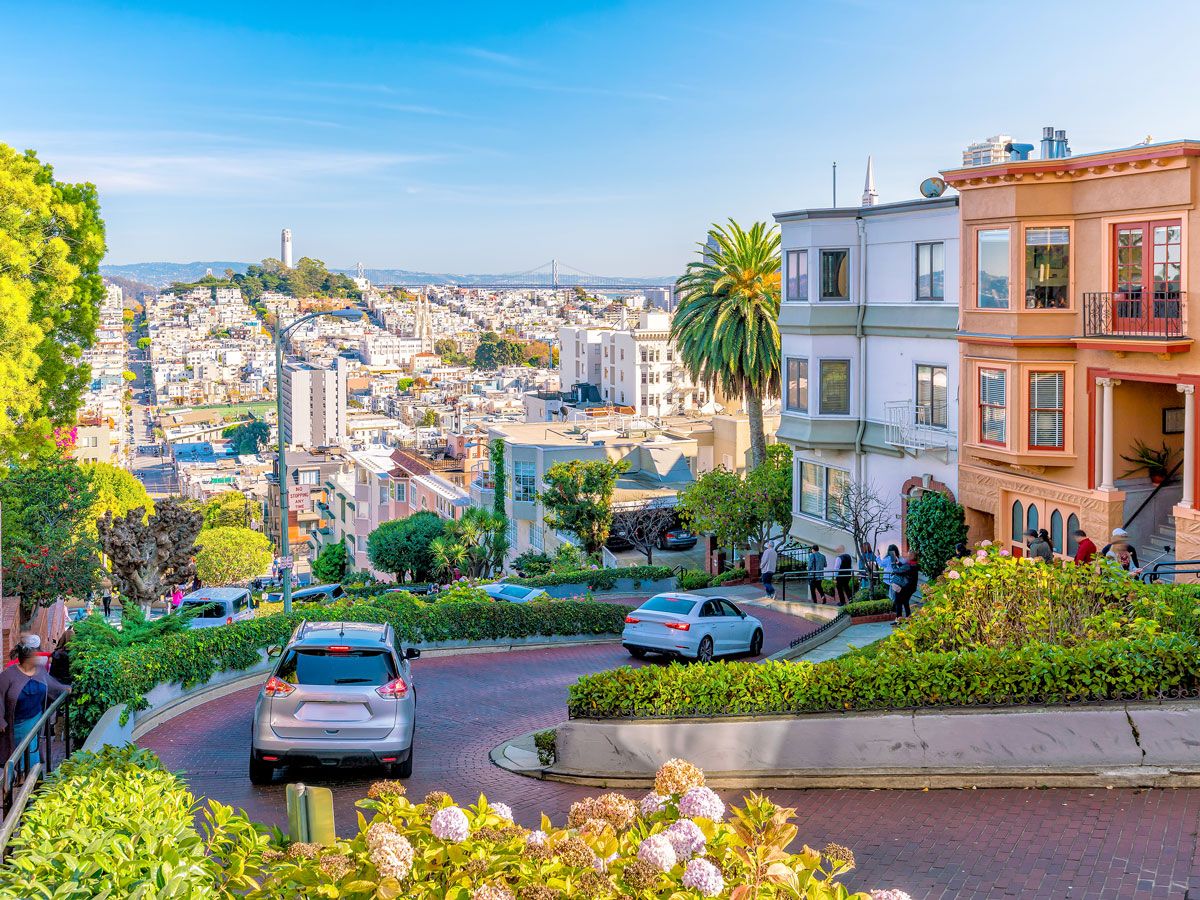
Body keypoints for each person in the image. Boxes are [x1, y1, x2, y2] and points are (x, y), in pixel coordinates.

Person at [0, 643, 67, 772]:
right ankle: (26, 780)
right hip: (17, 723)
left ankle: (31, 779)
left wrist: (65, 689)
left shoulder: (40, 671)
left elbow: (51, 683)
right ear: (25, 659)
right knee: (20, 753)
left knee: (32, 750)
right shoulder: (8, 675)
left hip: (36, 718)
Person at [892, 551, 918, 619]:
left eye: (908, 555)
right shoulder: (914, 564)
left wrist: (893, 564)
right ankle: (908, 617)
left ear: (912, 557)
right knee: (905, 602)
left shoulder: (908, 565)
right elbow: (905, 569)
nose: (907, 557)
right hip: (911, 587)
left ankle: (899, 619)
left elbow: (896, 571)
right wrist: (900, 564)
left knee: (898, 601)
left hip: (904, 587)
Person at [881, 544, 901, 610]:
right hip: (896, 579)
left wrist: (878, 557)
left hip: (888, 579)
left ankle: (891, 608)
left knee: (889, 595)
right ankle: (895, 607)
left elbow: (881, 564)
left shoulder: (887, 558)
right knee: (895, 594)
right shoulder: (899, 558)